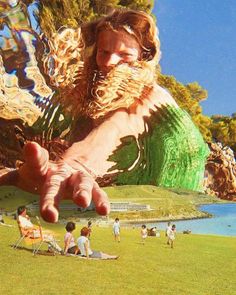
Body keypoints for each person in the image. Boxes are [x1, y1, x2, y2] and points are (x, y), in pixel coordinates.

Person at [0, 9, 209, 223]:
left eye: (124, 55)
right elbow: (75, 161)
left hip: (186, 202)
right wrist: (25, 176)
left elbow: (118, 125)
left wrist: (77, 165)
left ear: (143, 56)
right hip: (143, 210)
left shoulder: (153, 96)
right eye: (104, 52)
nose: (109, 62)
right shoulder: (87, 108)